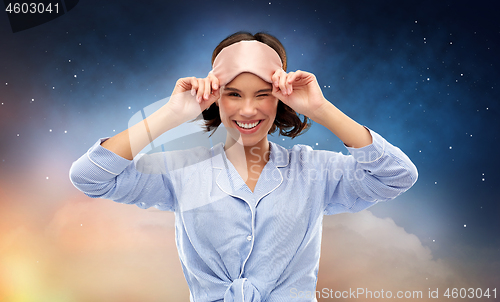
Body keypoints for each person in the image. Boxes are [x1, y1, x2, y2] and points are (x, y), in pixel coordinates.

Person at [70, 31, 418, 302]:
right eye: (234, 94)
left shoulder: (314, 171)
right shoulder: (181, 172)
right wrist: (171, 114)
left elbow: (397, 176)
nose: (248, 110)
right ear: (216, 96)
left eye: (262, 93)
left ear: (280, 96)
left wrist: (321, 109)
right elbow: (90, 177)